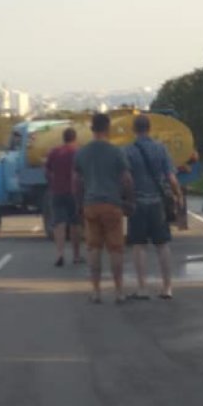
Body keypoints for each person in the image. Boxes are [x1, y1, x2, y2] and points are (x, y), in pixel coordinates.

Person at [74, 113, 134, 304]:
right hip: (112, 204)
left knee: (93, 249)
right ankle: (118, 291)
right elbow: (127, 179)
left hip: (90, 205)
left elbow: (76, 181)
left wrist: (79, 203)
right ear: (108, 129)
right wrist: (130, 200)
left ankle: (96, 291)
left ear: (92, 129)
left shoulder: (82, 153)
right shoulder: (116, 152)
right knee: (116, 250)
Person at [124, 114, 183, 300]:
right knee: (162, 245)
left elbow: (126, 179)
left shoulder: (128, 151)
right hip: (158, 203)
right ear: (150, 129)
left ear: (134, 130)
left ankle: (142, 288)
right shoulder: (161, 149)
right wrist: (178, 196)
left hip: (137, 203)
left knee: (139, 246)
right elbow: (171, 178)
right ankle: (167, 287)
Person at [45, 127, 82, 267]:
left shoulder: (55, 152)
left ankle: (60, 254)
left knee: (59, 224)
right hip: (74, 193)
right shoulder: (77, 152)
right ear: (75, 138)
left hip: (57, 192)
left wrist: (52, 183)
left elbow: (47, 170)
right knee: (75, 224)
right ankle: (76, 255)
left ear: (63, 138)